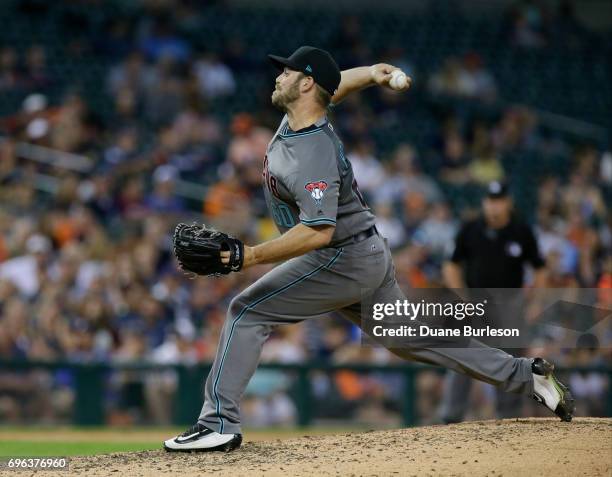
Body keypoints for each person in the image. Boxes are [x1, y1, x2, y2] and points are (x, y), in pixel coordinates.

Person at [163, 46, 574, 452]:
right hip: (365, 253)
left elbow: (318, 231)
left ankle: (218, 422)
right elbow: (332, 87)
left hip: (340, 255)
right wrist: (372, 72)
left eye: (287, 72)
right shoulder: (303, 113)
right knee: (410, 339)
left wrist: (247, 256)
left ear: (305, 84)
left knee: (247, 311)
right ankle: (526, 375)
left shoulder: (313, 151)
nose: (278, 76)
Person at [438, 181, 548, 423]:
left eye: (498, 200)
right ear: (484, 203)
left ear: (508, 202)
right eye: (490, 200)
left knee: (510, 362)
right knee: (462, 357)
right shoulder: (470, 229)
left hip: (509, 303)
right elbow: (450, 265)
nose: (494, 206)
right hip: (476, 301)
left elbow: (540, 268)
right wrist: (462, 297)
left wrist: (534, 302)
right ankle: (450, 416)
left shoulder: (521, 231)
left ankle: (509, 419)